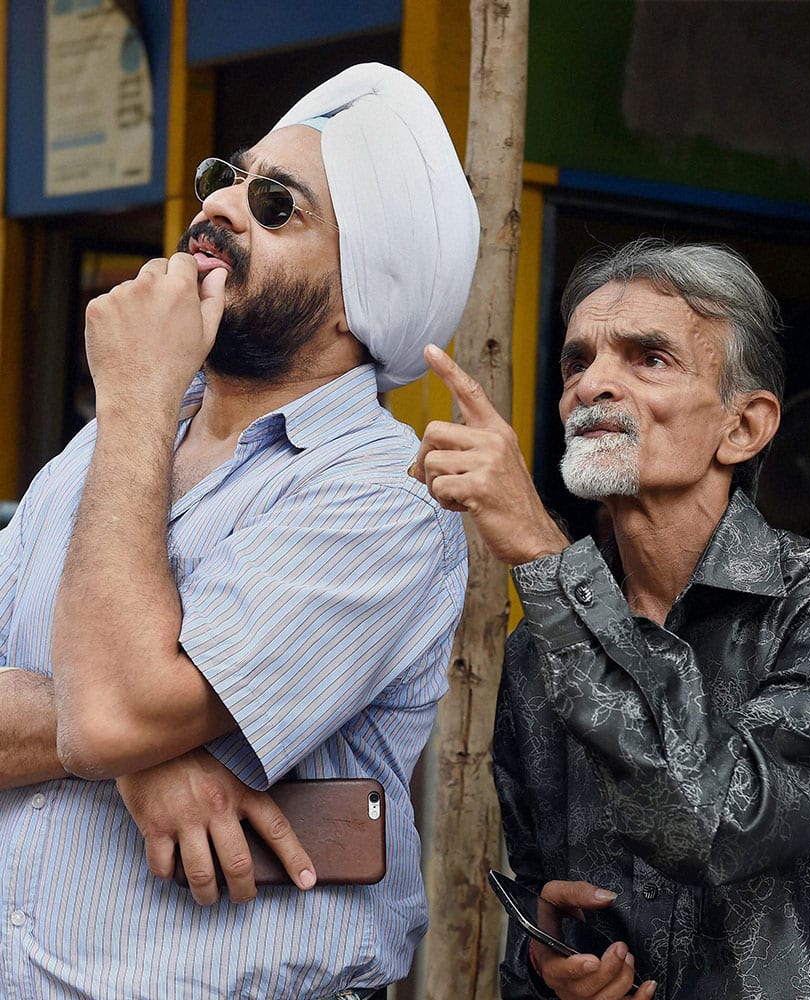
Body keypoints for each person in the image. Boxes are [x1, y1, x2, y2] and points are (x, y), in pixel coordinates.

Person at [0, 63, 478, 999]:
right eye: (230, 172)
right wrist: (147, 758)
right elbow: (112, 721)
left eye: (275, 203)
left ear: (359, 298)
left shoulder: (386, 499)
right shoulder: (108, 445)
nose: (220, 202)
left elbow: (113, 714)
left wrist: (135, 392)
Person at [411, 238, 810, 1000]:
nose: (592, 386)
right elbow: (545, 902)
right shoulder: (540, 652)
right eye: (577, 362)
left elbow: (705, 822)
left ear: (742, 428)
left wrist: (543, 552)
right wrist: (548, 968)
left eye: (648, 359)